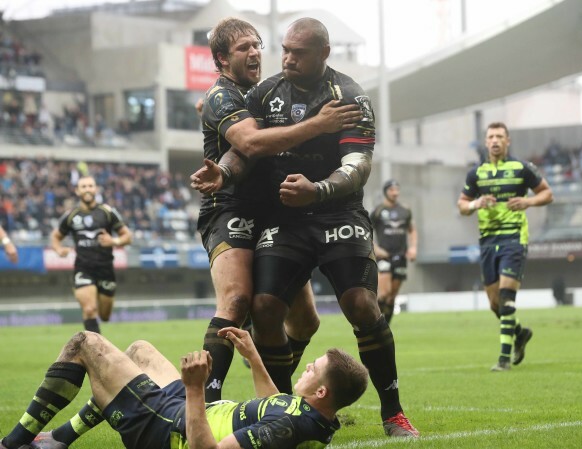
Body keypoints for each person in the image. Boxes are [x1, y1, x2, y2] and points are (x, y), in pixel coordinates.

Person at [196, 17, 419, 438]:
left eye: (297, 53)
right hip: (285, 217)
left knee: (360, 304)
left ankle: (393, 413)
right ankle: (281, 409)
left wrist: (316, 190)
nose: (286, 59)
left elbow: (358, 166)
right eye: (284, 50)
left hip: (338, 212)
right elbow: (246, 149)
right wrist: (224, 173)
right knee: (260, 307)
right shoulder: (266, 93)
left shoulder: (350, 95)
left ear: (324, 54)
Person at [192, 17, 363, 404]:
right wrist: (319, 124)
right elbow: (250, 144)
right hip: (230, 207)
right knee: (237, 302)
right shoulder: (221, 96)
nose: (255, 53)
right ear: (221, 59)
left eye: (257, 45)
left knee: (305, 321)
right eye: (243, 48)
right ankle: (206, 404)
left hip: (274, 212)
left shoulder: (265, 93)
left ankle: (275, 387)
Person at [0, 327, 369, 449]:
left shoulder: (291, 428)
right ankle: (60, 438)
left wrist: (195, 388)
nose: (307, 365)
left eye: (314, 368)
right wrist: (254, 357)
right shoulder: (306, 412)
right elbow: (272, 403)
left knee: (85, 344)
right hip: (190, 412)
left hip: (171, 429)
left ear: (322, 392)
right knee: (140, 351)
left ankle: (12, 442)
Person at [457, 122, 553, 372]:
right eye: (491, 137)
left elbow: (547, 194)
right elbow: (462, 206)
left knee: (507, 295)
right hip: (488, 240)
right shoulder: (476, 174)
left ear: (508, 141)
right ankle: (520, 334)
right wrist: (476, 203)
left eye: (500, 136)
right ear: (486, 142)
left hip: (514, 238)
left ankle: (504, 358)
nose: (495, 140)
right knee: (494, 303)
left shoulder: (521, 168)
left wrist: (528, 201)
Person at [50, 175, 132, 334]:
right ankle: (96, 352)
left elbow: (127, 237)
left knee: (105, 315)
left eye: (90, 186)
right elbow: (55, 237)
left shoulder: (107, 212)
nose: (87, 189)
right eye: (83, 186)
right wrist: (59, 250)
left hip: (106, 269)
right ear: (77, 191)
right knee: (89, 309)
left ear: (95, 189)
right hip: (83, 268)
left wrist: (113, 241)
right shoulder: (71, 215)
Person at [370, 179, 418, 324]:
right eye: (392, 190)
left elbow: (412, 229)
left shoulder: (405, 210)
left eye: (397, 189)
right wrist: (376, 249)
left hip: (401, 256)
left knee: (392, 296)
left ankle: (385, 328)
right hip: (384, 256)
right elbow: (366, 231)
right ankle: (374, 323)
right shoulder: (378, 211)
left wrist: (413, 247)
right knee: (383, 294)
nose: (395, 192)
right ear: (386, 192)